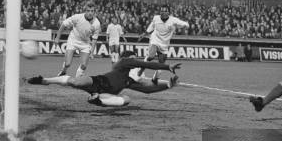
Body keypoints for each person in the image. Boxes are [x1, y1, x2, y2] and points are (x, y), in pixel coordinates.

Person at [26, 50, 180, 107]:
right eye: (133, 59)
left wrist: (168, 85)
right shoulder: (123, 62)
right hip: (97, 81)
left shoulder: (129, 80)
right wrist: (167, 67)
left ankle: (97, 100)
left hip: (105, 93)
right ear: (127, 59)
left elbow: (148, 89)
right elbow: (145, 63)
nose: (135, 61)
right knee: (75, 81)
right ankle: (45, 80)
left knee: (126, 99)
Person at [137, 4, 189, 83]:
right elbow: (151, 26)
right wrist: (144, 34)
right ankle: (141, 69)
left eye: (165, 11)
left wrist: (186, 26)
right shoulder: (156, 18)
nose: (163, 12)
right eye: (162, 11)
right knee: (151, 56)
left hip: (164, 44)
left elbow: (185, 24)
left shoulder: (173, 20)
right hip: (155, 39)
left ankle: (155, 79)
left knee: (161, 64)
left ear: (168, 12)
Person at [53, 1, 101, 77]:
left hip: (85, 43)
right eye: (88, 11)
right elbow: (64, 24)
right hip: (73, 40)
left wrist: (91, 52)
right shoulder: (77, 17)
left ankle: (77, 79)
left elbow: (94, 39)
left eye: (92, 11)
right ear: (85, 11)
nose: (90, 13)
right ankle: (63, 71)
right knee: (68, 64)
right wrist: (57, 38)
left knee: (84, 65)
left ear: (94, 12)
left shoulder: (97, 23)